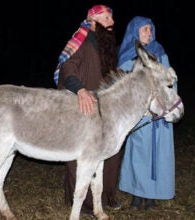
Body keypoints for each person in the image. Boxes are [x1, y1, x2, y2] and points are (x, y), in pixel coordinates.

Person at [53, 4, 122, 215]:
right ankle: (83, 203)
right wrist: (80, 90)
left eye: (111, 17)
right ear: (93, 20)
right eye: (107, 18)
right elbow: (67, 67)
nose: (112, 22)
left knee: (111, 151)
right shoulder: (80, 40)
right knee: (79, 155)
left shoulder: (106, 44)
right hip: (81, 103)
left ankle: (106, 196)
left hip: (104, 106)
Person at [117, 16, 177, 210]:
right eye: (144, 30)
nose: (149, 34)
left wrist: (168, 105)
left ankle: (151, 195)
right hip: (140, 115)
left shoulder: (160, 53)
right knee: (138, 154)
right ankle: (136, 194)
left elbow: (170, 81)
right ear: (135, 32)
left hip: (160, 115)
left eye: (150, 30)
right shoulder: (128, 56)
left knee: (158, 154)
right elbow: (123, 87)